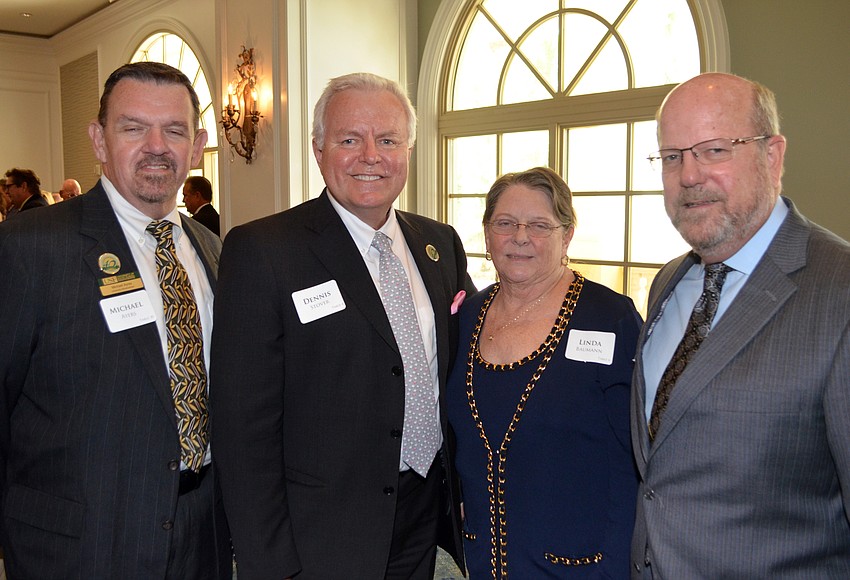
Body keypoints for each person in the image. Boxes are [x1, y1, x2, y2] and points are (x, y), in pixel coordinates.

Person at [210, 72, 474, 580]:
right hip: (320, 531)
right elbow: (243, 429)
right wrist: (268, 560)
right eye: (349, 139)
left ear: (409, 150)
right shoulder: (264, 250)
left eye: (388, 140)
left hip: (423, 509)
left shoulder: (440, 244)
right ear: (317, 149)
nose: (370, 155)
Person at [0, 61, 231, 579]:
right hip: (79, 546)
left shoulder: (214, 251)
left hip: (204, 535)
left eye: (173, 131)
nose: (156, 146)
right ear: (99, 140)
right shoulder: (29, 249)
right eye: (132, 127)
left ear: (195, 147)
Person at [631, 72, 850, 579]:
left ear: (773, 156)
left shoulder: (838, 293)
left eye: (713, 150)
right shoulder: (669, 283)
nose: (688, 176)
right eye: (672, 156)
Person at [447, 167, 641, 578]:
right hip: (484, 560)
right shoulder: (466, 319)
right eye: (505, 223)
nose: (520, 237)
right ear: (486, 234)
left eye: (539, 225)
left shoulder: (610, 318)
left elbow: (638, 457)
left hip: (583, 563)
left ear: (566, 235)